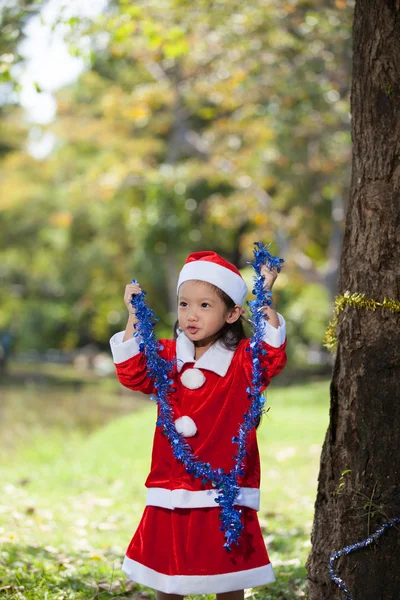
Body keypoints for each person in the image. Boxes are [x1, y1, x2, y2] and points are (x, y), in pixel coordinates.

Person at [109, 251, 287, 600]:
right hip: (172, 482)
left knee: (227, 573)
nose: (191, 314)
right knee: (169, 573)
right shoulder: (165, 358)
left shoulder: (242, 361)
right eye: (184, 304)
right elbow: (131, 372)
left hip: (224, 485)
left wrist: (264, 293)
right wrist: (133, 316)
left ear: (233, 313)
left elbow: (270, 354)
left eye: (205, 305)